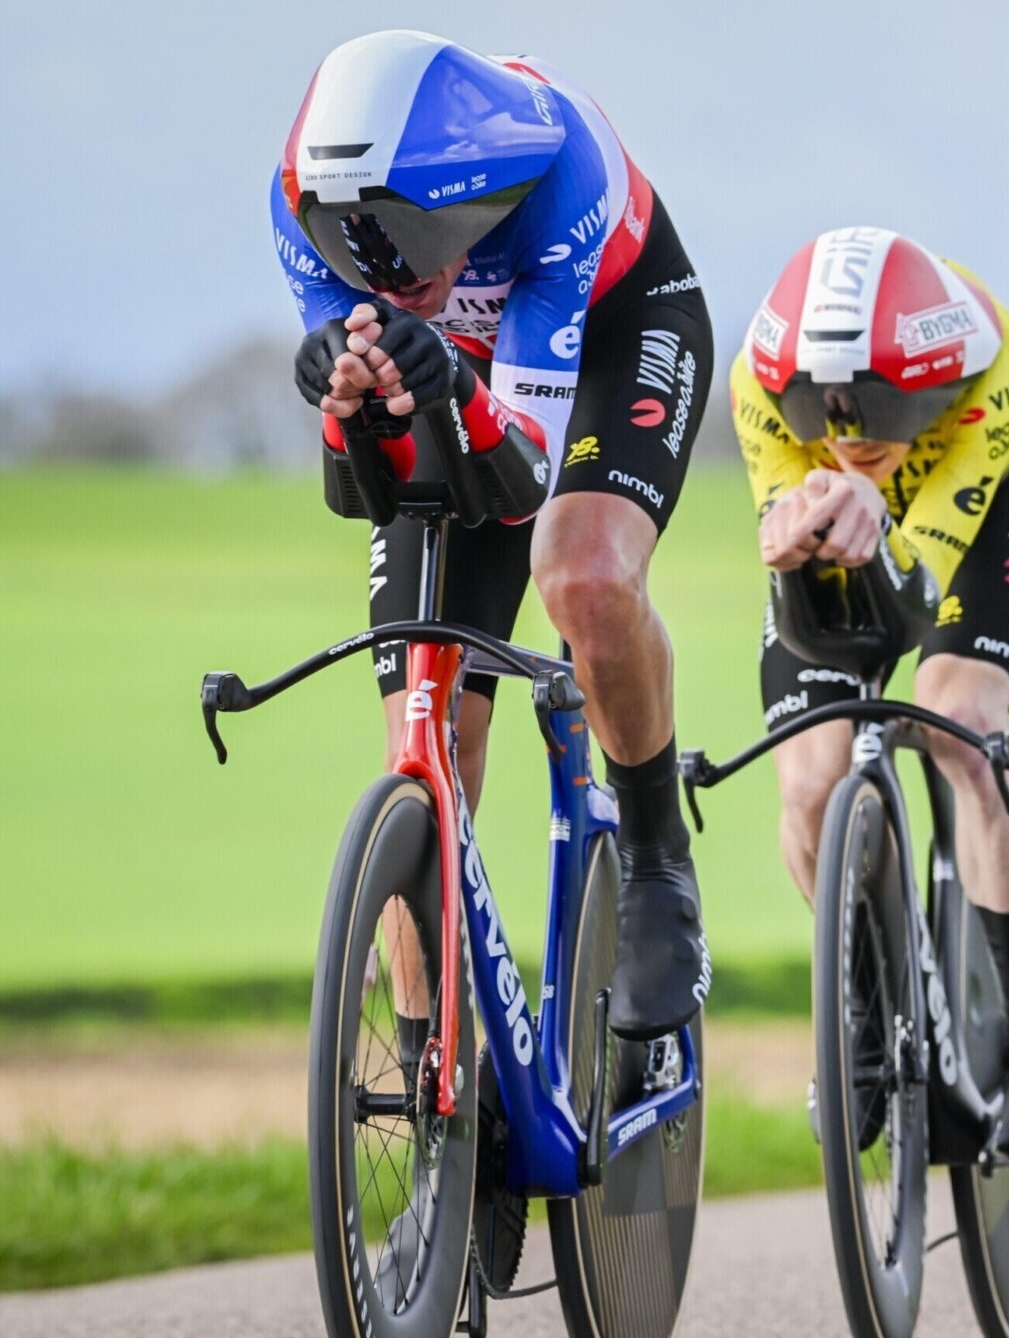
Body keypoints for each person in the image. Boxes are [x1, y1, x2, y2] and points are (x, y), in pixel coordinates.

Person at [273, 30, 714, 1042]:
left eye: (403, 237)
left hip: (615, 329)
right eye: (350, 242)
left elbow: (518, 483)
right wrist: (347, 408)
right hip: (454, 370)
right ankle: (447, 1099)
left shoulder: (557, 172)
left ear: (468, 200)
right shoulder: (298, 201)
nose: (380, 270)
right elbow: (365, 487)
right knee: (424, 732)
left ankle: (652, 854)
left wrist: (453, 382)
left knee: (583, 574)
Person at [731, 227, 1009, 1167]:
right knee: (808, 779)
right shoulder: (756, 378)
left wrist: (869, 512)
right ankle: (861, 1001)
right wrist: (794, 524)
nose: (854, 432)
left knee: (962, 722)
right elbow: (785, 525)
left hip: (985, 499)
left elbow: (917, 586)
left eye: (886, 407)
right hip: (841, 516)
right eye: (829, 411)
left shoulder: (994, 362)